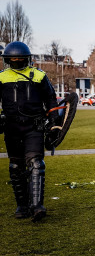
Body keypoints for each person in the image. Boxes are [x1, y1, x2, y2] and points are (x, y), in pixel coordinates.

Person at [0, 41, 58, 221]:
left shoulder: (39, 76)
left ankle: (37, 206)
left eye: (19, 58)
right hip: (11, 127)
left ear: (27, 59)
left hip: (34, 126)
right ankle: (22, 206)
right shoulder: (1, 77)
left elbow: (50, 99)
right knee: (15, 167)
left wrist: (54, 123)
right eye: (13, 59)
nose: (16, 61)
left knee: (36, 164)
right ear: (8, 60)